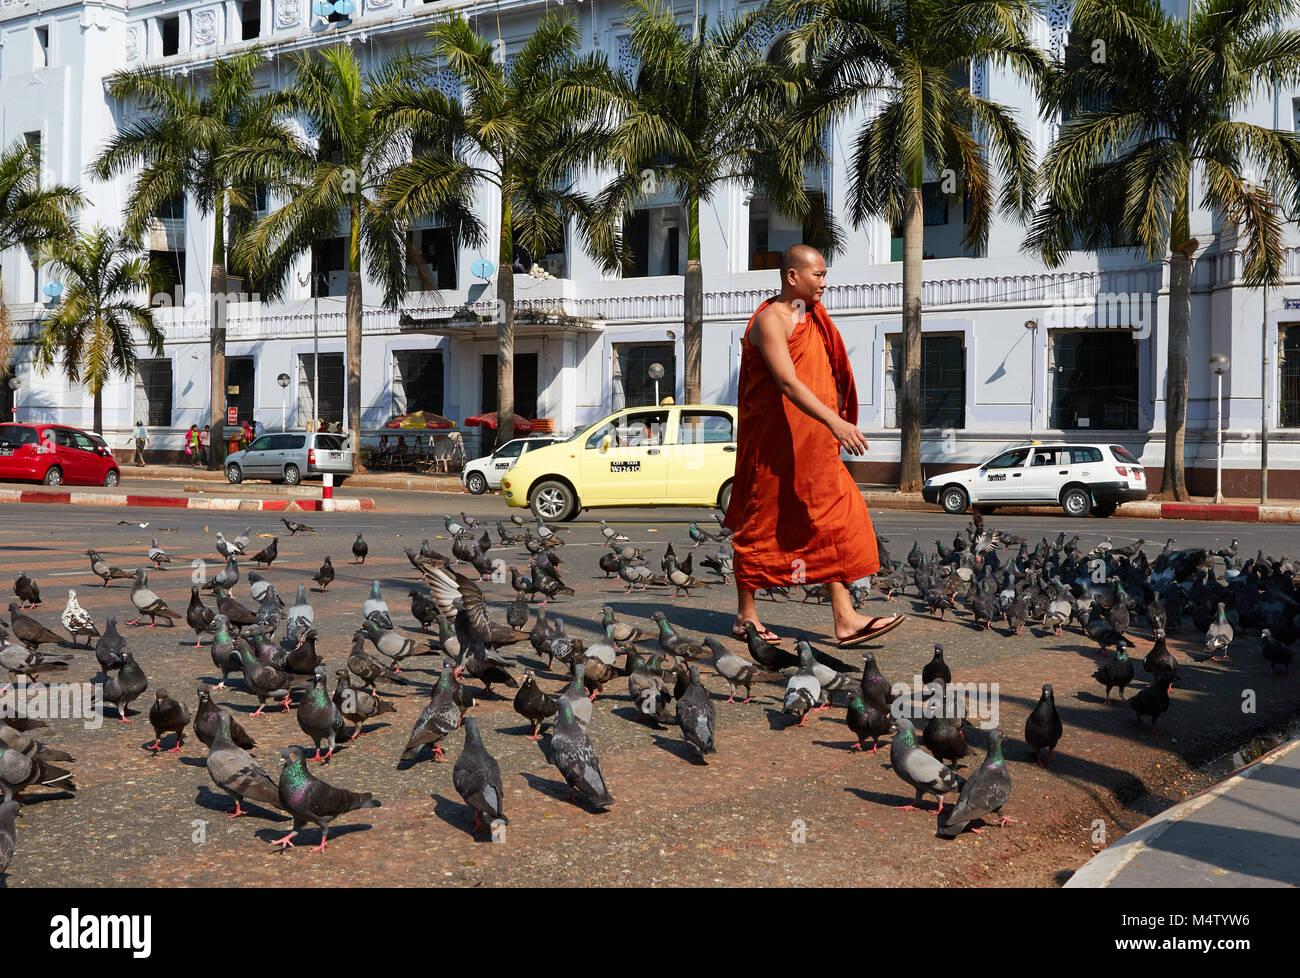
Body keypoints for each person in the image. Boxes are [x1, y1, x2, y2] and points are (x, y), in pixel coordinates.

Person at [722, 244, 904, 647]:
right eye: (817, 275)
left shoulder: (812, 318)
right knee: (761, 526)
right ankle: (745, 616)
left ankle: (845, 618)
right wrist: (836, 421)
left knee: (832, 521)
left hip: (811, 446)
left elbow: (824, 373)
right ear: (792, 277)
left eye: (825, 274)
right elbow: (787, 382)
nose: (824, 282)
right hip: (773, 448)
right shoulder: (772, 320)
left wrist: (830, 426)